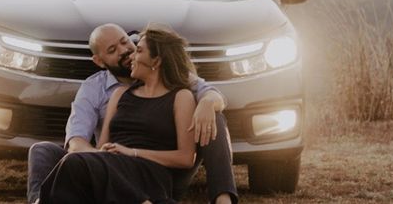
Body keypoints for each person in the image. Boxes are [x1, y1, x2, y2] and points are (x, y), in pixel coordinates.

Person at [27, 23, 237, 204]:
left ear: (156, 61)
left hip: (160, 170)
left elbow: (211, 94)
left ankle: (223, 198)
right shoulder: (103, 90)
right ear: (100, 61)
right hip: (110, 161)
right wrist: (107, 157)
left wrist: (207, 103)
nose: (126, 51)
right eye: (112, 49)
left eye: (126, 42)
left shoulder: (179, 87)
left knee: (213, 116)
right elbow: (76, 143)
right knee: (44, 151)